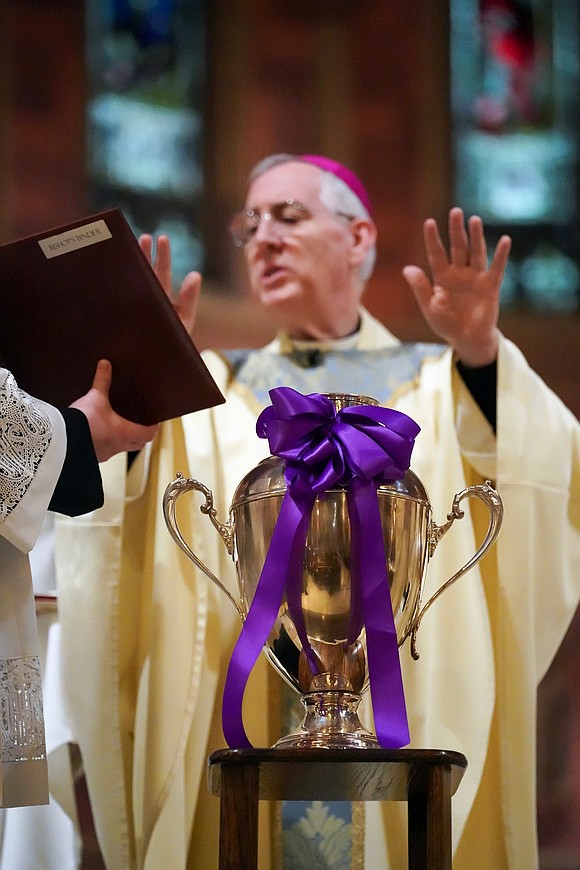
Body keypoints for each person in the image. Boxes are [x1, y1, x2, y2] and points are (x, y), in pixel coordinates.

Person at [54, 154, 580, 869]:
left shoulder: (444, 380)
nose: (262, 237)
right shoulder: (210, 386)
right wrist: (153, 380)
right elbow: (127, 516)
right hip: (245, 712)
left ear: (359, 238)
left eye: (289, 216)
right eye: (251, 225)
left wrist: (484, 353)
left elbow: (536, 474)